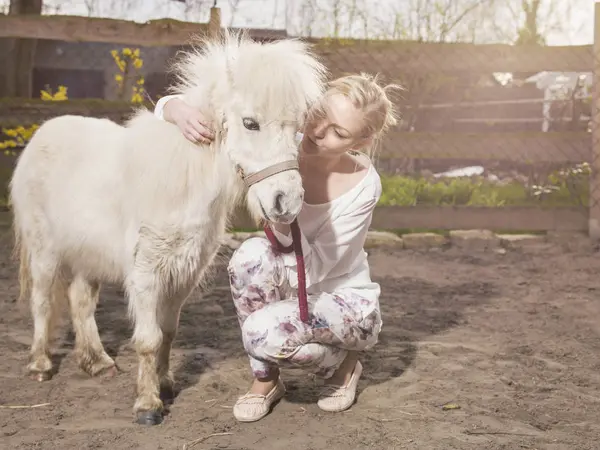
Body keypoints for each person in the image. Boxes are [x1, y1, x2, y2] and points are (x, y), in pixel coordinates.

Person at [153, 72, 400, 422]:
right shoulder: (282, 144)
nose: (318, 132)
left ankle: (344, 366)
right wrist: (177, 110)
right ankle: (266, 380)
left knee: (261, 333)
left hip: (342, 302)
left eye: (338, 133)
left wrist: (283, 214)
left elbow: (313, 270)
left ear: (359, 141)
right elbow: (173, 109)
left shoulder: (364, 187)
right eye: (319, 115)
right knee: (248, 256)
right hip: (290, 290)